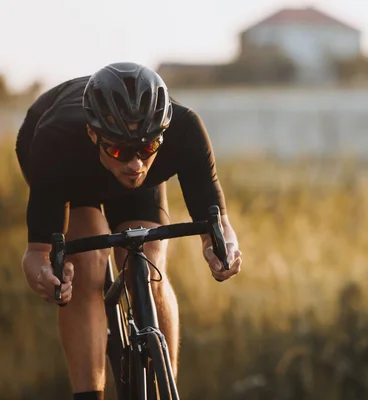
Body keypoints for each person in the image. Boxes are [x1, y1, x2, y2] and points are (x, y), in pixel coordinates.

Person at [15, 62, 243, 400]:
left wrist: (222, 250)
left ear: (161, 135)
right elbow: (37, 254)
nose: (135, 164)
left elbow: (218, 225)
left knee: (150, 268)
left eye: (147, 149)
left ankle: (165, 386)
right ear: (94, 134)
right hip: (72, 170)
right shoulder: (56, 139)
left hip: (132, 185)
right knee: (87, 265)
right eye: (121, 150)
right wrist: (47, 276)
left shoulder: (184, 128)